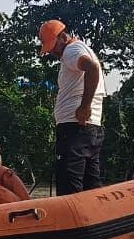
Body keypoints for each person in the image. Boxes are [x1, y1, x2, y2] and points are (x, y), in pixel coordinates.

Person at [38, 19, 107, 196]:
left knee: (70, 188)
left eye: (53, 45)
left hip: (74, 128)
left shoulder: (71, 50)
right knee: (91, 186)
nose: (52, 51)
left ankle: (72, 223)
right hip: (88, 129)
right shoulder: (80, 49)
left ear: (62, 36)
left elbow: (92, 68)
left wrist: (85, 106)